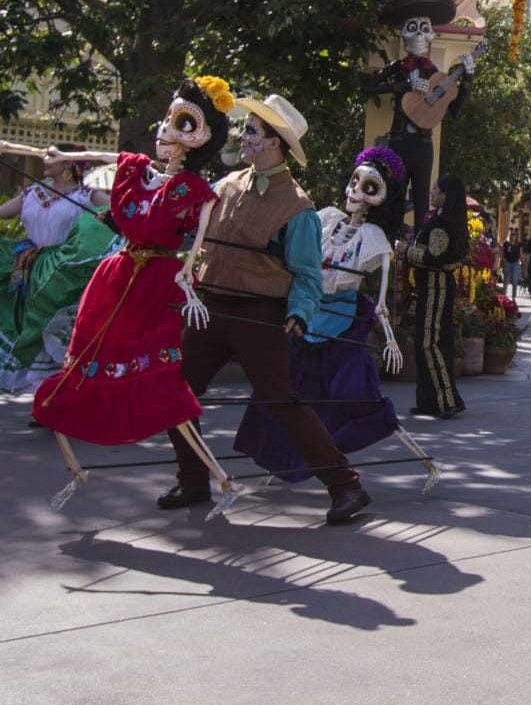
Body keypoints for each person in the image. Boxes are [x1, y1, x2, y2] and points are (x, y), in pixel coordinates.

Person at [156, 93, 371, 523]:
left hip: (259, 314)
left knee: (281, 399)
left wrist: (299, 313)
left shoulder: (298, 207)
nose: (242, 135)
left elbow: (309, 274)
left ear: (274, 143)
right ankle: (194, 479)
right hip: (211, 307)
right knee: (174, 393)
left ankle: (346, 486)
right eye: (245, 128)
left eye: (251, 130)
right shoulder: (225, 185)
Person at [31, 78, 240, 508]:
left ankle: (216, 478)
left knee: (159, 375)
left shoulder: (195, 191)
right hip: (118, 274)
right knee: (86, 360)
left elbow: (194, 250)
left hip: (156, 283)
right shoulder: (137, 170)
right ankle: (76, 466)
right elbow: (96, 155)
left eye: (181, 122)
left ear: (199, 137)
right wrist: (50, 155)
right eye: (168, 117)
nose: (165, 129)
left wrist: (190, 286)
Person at [233, 146, 413, 482]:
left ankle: (344, 462)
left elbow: (382, 301)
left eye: (369, 188)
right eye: (354, 182)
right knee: (285, 387)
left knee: (350, 395)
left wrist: (390, 338)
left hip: (341, 323)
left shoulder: (375, 240)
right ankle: (283, 456)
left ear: (384, 198)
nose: (355, 193)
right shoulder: (326, 218)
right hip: (308, 315)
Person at [0, 142, 117, 392]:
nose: (44, 160)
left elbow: (120, 212)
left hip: (63, 271)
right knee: (29, 325)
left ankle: (54, 394)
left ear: (69, 162)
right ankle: (43, 394)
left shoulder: (86, 196)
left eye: (51, 157)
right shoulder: (31, 192)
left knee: (52, 328)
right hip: (28, 268)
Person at [360, 0, 476, 225]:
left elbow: (454, 111)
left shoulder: (435, 74)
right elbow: (369, 87)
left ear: (432, 34)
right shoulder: (399, 68)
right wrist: (403, 85)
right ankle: (387, 238)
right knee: (394, 193)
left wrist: (467, 80)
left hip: (424, 145)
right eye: (413, 29)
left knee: (423, 195)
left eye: (426, 29)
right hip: (399, 141)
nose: (420, 36)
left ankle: (420, 243)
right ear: (404, 34)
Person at [403, 173, 469, 418]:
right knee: (427, 342)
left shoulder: (442, 224)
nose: (431, 193)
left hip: (435, 286)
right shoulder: (445, 219)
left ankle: (447, 401)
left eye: (435, 189)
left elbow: (434, 258)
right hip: (433, 285)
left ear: (445, 195)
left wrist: (406, 252)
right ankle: (429, 401)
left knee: (430, 343)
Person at [501, 229, 523, 299]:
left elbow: (521, 254)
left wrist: (524, 264)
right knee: (506, 280)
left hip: (515, 263)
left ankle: (514, 298)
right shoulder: (506, 243)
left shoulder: (519, 244)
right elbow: (502, 252)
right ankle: (504, 296)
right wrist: (503, 259)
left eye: (515, 234)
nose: (513, 236)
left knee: (514, 280)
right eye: (512, 234)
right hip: (507, 262)